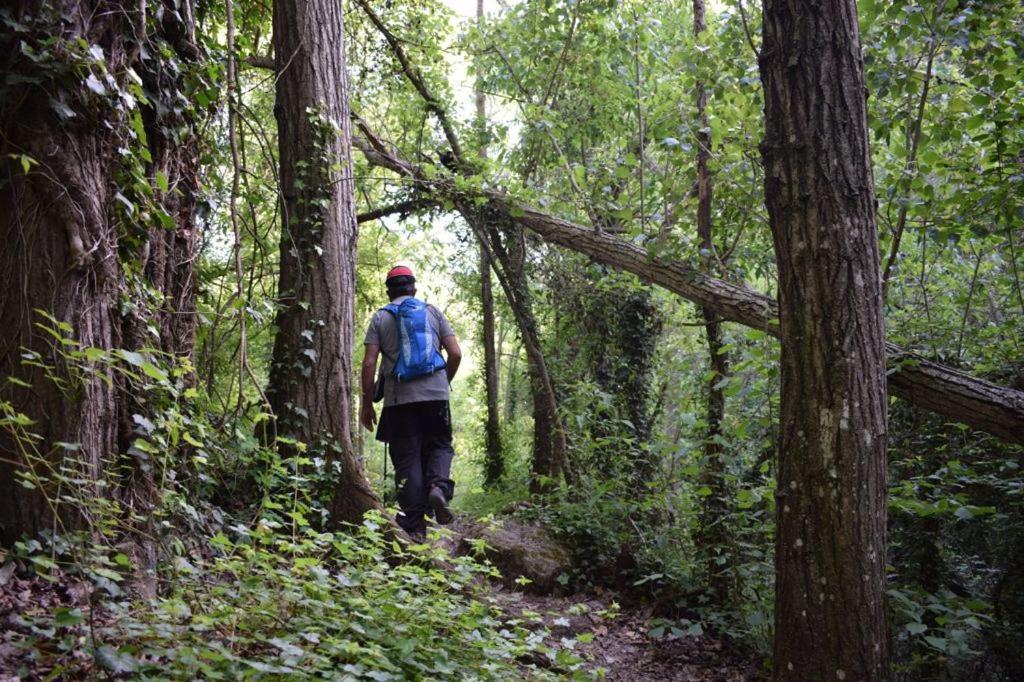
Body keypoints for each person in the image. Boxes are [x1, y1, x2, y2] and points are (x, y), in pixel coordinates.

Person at [360, 265, 462, 539]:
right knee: (440, 445)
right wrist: (443, 382)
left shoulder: (381, 317)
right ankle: (438, 488)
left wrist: (366, 403)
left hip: (399, 400)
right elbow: (455, 353)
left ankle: (415, 525)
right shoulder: (432, 312)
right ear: (414, 289)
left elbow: (370, 363)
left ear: (388, 291)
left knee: (407, 457)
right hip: (436, 396)